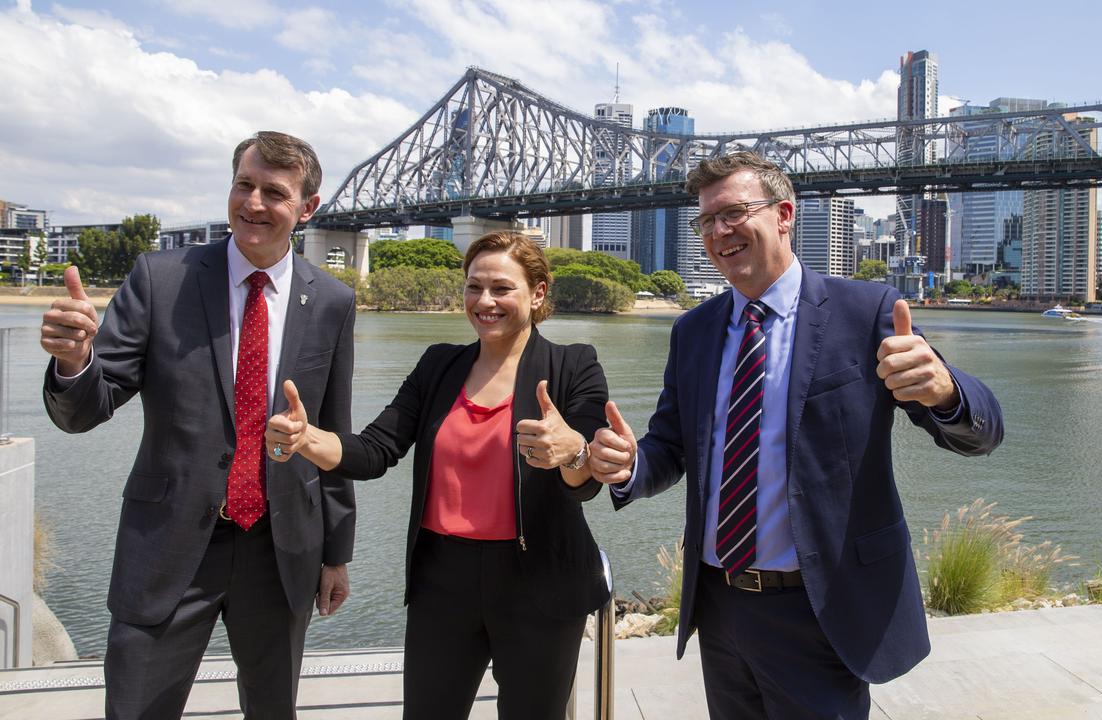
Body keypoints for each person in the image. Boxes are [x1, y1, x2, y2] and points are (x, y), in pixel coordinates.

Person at [589, 152, 1004, 719]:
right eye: (706, 221)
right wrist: (629, 464)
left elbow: (982, 432)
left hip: (822, 608)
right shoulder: (693, 331)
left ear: (784, 214)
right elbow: (671, 448)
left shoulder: (868, 311)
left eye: (733, 212)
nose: (718, 232)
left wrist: (945, 390)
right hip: (721, 606)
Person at [39, 131, 357, 719]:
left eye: (274, 193)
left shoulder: (333, 300)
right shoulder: (161, 279)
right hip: (167, 543)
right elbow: (87, 407)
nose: (254, 203)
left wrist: (336, 552)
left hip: (281, 546)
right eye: (244, 185)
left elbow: (331, 433)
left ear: (308, 208)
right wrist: (74, 361)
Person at [266, 230, 610, 720]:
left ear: (537, 293)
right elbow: (374, 450)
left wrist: (572, 450)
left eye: (501, 288)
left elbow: (588, 481)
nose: (484, 301)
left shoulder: (573, 365)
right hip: (442, 581)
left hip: (540, 581)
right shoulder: (438, 364)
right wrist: (306, 439)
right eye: (474, 287)